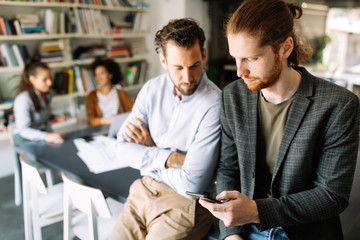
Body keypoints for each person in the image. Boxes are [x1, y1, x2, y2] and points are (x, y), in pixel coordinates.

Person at [199, 1, 360, 240]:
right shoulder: (233, 96)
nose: (239, 71)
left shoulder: (339, 105)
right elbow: (228, 168)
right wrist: (231, 234)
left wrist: (255, 211)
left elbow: (332, 195)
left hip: (305, 232)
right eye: (236, 58)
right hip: (245, 230)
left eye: (251, 58)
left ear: (285, 48)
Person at [110, 18, 221, 240]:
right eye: (178, 68)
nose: (188, 78)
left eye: (194, 65)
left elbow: (192, 183)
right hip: (142, 192)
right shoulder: (152, 89)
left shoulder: (215, 104)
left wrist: (150, 151)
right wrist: (173, 158)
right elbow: (120, 149)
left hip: (183, 205)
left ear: (204, 55)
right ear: (163, 60)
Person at [13, 61, 65, 144]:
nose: (50, 83)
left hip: (44, 138)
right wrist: (45, 136)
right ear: (32, 80)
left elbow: (39, 116)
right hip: (27, 141)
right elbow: (23, 129)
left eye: (50, 78)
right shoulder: (23, 99)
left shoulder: (49, 94)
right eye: (45, 79)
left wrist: (54, 116)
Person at [86, 58, 133, 126]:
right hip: (101, 132)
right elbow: (91, 120)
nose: (98, 77)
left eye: (102, 73)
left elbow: (131, 113)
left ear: (110, 75)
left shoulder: (122, 94)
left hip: (120, 128)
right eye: (96, 75)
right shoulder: (91, 96)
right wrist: (108, 120)